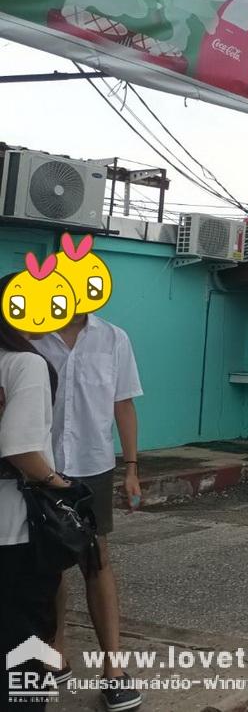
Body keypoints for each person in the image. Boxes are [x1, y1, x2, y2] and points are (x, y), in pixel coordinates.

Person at [34, 313, 143, 712]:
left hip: (93, 467)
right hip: (40, 467)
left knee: (96, 560)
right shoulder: (32, 333)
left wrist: (132, 469)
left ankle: (113, 669)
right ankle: (55, 653)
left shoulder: (114, 337)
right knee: (49, 563)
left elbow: (124, 404)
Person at [1, 272, 65, 712]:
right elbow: (22, 448)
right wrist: (62, 488)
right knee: (24, 649)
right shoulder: (25, 363)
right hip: (14, 529)